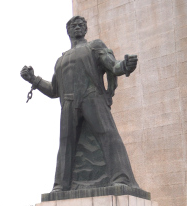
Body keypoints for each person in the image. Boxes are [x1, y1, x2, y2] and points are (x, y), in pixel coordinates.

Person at [20, 15, 139, 192]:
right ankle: (61, 185)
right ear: (67, 31)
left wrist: (126, 66)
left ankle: (120, 178)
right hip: (68, 102)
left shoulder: (94, 46)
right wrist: (33, 80)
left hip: (92, 97)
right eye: (73, 25)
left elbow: (113, 66)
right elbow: (54, 90)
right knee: (66, 144)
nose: (77, 27)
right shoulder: (60, 60)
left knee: (108, 135)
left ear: (85, 29)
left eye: (81, 25)